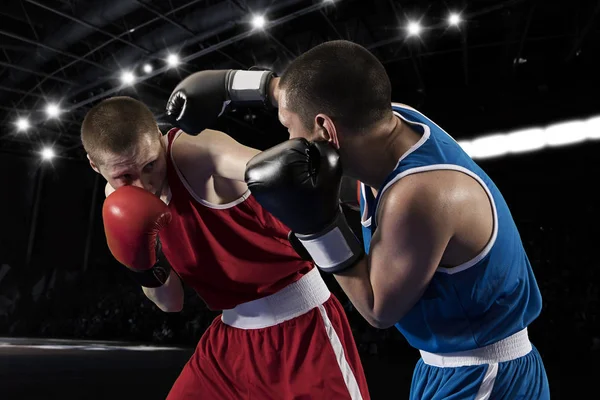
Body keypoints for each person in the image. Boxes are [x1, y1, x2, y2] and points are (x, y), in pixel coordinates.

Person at [165, 40, 550, 399]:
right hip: (448, 362)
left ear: (325, 129)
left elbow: (377, 308)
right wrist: (237, 84)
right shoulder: (386, 122)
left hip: (484, 375)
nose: (287, 136)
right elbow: (297, 92)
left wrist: (317, 227)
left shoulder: (418, 197)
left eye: (288, 127)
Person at [80, 95, 370, 399]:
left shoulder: (198, 152)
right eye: (125, 177)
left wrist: (366, 190)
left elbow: (284, 172)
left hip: (303, 330)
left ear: (158, 136)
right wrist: (142, 266)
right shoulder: (115, 201)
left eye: (150, 164)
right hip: (229, 342)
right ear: (94, 165)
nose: (144, 185)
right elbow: (171, 302)